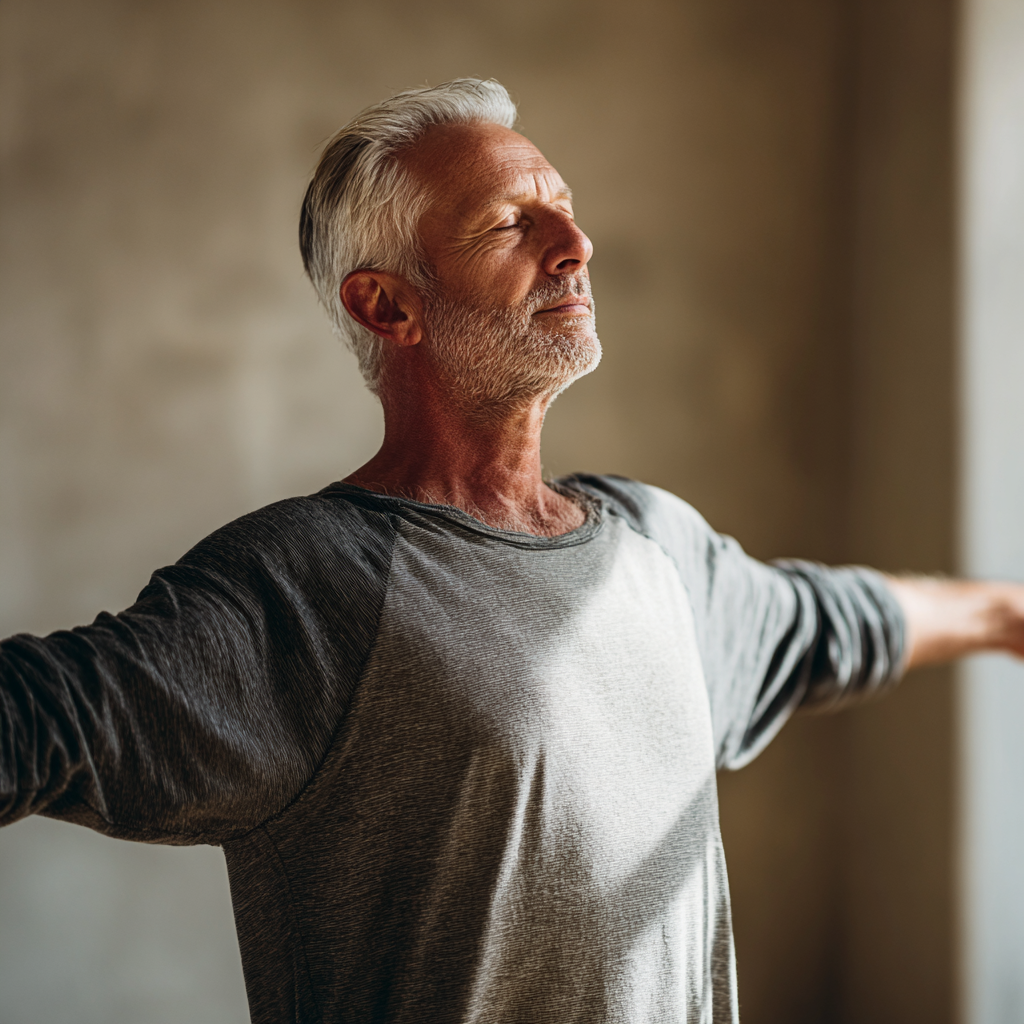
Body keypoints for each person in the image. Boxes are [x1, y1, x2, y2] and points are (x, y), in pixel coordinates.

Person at [0, 78, 1021, 1024]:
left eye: (564, 207)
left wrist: (1003, 614)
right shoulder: (309, 585)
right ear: (387, 305)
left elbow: (831, 621)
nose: (574, 243)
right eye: (507, 224)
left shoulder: (653, 551)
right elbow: (37, 718)